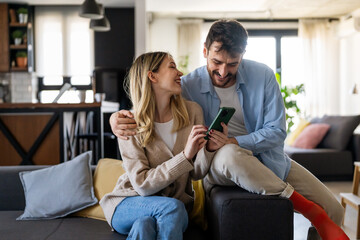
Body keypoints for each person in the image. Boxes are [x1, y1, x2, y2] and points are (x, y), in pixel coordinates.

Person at [109, 20, 349, 240]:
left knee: (334, 210)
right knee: (230, 155)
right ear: (205, 51)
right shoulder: (188, 86)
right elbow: (150, 104)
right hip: (222, 163)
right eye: (216, 62)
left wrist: (234, 141)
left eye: (232, 64)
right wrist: (115, 119)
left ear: (242, 56)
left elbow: (276, 131)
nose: (223, 71)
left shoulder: (263, 76)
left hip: (267, 160)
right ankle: (304, 206)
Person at [100, 51, 227, 240]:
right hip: (129, 203)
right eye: (172, 66)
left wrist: (208, 150)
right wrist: (185, 156)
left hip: (176, 208)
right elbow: (142, 185)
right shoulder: (129, 123)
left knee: (145, 226)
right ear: (153, 76)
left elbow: (196, 173)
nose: (180, 73)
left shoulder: (192, 112)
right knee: (170, 209)